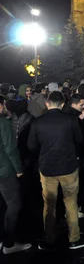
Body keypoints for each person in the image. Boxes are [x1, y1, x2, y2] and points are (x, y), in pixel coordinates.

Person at [27, 91, 84, 250]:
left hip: (47, 167)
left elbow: (31, 146)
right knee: (71, 203)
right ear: (63, 104)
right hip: (68, 167)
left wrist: (42, 154)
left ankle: (50, 238)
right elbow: (79, 140)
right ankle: (74, 238)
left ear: (47, 103)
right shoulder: (71, 120)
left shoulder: (38, 122)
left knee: (49, 204)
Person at [0, 96, 31, 254]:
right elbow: (10, 149)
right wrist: (19, 169)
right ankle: (9, 244)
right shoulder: (3, 123)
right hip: (4, 170)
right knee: (14, 204)